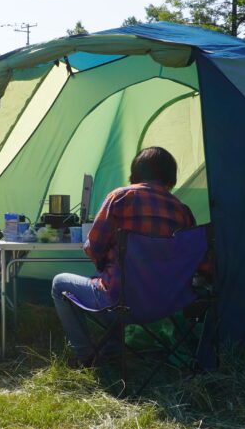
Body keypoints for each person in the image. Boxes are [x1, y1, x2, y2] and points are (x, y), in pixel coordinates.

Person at [51, 146, 195, 367]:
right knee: (116, 278)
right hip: (165, 303)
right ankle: (113, 347)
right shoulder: (182, 211)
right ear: (170, 177)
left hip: (121, 302)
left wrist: (106, 264)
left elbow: (93, 247)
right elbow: (190, 260)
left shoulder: (120, 198)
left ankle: (86, 356)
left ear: (135, 174)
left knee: (60, 284)